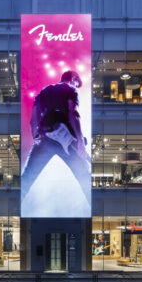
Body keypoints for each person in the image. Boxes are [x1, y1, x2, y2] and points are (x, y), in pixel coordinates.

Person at [21, 70, 91, 203]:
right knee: (85, 179)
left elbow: (33, 121)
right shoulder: (71, 89)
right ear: (73, 79)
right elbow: (73, 113)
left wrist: (37, 139)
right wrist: (80, 141)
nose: (76, 86)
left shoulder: (43, 92)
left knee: (26, 179)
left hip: (44, 139)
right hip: (68, 142)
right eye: (77, 83)